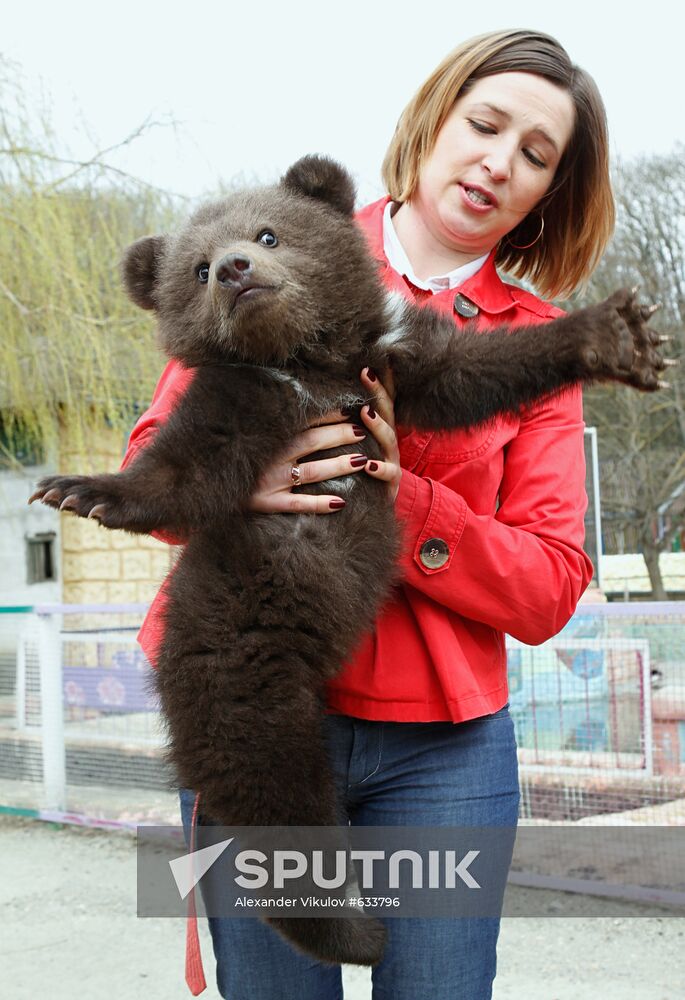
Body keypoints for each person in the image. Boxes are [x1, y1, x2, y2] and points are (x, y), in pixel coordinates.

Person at [123, 28, 613, 1000]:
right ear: (434, 118)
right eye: (484, 124)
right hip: (256, 722)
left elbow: (551, 585)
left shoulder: (543, 350)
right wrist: (248, 480)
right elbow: (149, 470)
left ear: (548, 191)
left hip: (445, 753)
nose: (497, 163)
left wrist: (412, 499)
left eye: (535, 155)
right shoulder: (280, 242)